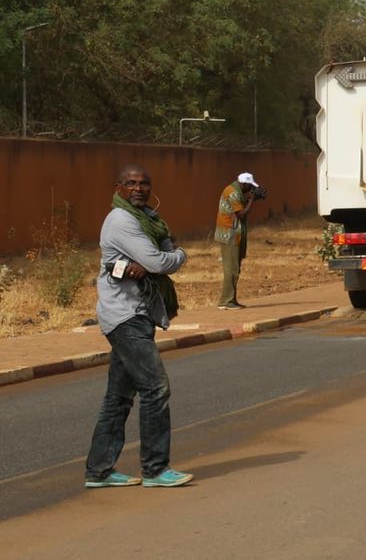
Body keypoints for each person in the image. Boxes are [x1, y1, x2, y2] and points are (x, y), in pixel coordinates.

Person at [85, 165, 193, 488]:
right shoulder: (122, 220)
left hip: (138, 312)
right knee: (155, 388)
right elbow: (161, 260)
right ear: (118, 187)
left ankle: (99, 471)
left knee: (117, 398)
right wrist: (180, 254)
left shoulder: (147, 219)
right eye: (131, 183)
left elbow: (156, 259)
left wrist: (160, 258)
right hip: (124, 316)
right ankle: (155, 469)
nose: (138, 188)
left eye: (144, 183)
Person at [214, 171, 262, 308]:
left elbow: (240, 205)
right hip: (229, 235)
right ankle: (225, 301)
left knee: (235, 268)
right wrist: (252, 201)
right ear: (244, 183)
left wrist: (251, 199)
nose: (250, 189)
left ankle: (231, 299)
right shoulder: (233, 193)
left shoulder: (234, 190)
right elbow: (241, 213)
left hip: (233, 234)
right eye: (249, 186)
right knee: (231, 269)